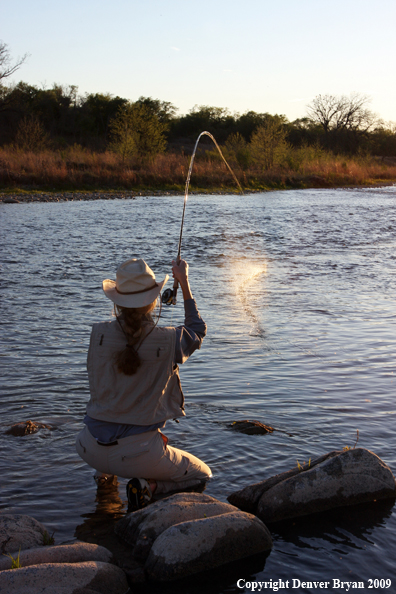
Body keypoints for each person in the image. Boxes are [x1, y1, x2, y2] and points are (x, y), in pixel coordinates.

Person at [76, 257, 212, 512]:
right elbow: (198, 329)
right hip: (137, 455)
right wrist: (184, 282)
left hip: (88, 446)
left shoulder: (97, 334)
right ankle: (149, 487)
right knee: (202, 475)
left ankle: (104, 481)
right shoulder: (170, 339)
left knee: (109, 436)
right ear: (154, 301)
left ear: (117, 302)